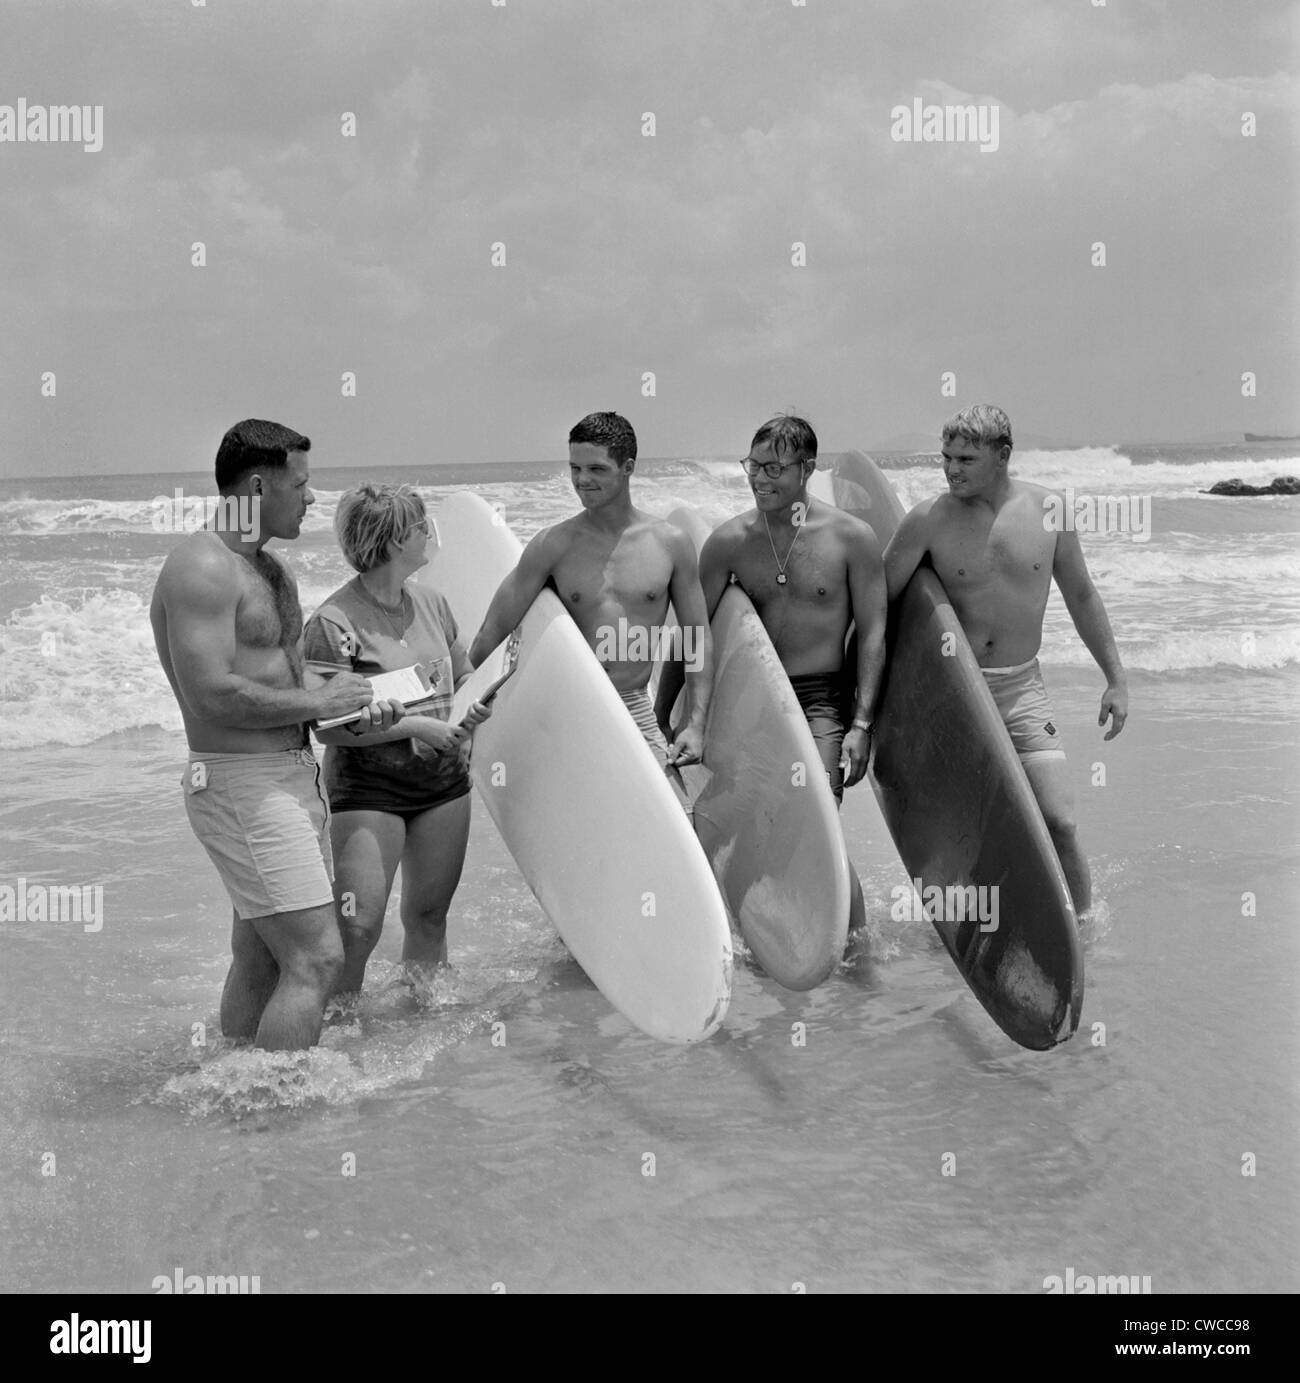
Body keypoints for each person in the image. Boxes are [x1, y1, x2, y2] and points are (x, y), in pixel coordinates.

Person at [150, 419, 399, 1050]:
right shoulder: (201, 567)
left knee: (263, 956)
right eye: (302, 483)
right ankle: (281, 1110)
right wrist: (317, 701)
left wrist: (359, 705)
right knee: (317, 959)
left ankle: (239, 1088)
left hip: (290, 778)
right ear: (259, 485)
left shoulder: (273, 571)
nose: (312, 498)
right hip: (241, 786)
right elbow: (213, 694)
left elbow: (289, 684)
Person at [882, 404, 1128, 914]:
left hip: (1021, 689)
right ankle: (968, 921)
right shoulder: (927, 521)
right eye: (946, 457)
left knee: (1059, 821)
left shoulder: (1049, 512)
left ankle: (1078, 931)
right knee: (968, 830)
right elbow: (879, 607)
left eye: (966, 459)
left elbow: (1082, 596)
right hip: (952, 696)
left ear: (1003, 456)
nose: (951, 469)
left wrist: (1115, 679)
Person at [303, 484, 492, 996]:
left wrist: (471, 713)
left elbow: (464, 673)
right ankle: (341, 1033)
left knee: (429, 917)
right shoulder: (333, 621)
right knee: (358, 927)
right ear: (390, 541)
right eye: (419, 526)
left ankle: (424, 1026)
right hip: (368, 790)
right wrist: (415, 727)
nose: (429, 534)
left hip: (442, 785)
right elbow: (324, 724)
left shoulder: (433, 602)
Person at [468, 412, 713, 781]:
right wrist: (462, 716)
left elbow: (696, 638)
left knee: (674, 823)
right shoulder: (553, 545)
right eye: (575, 468)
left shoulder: (669, 543)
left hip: (632, 704)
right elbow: (493, 632)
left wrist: (695, 724)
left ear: (627, 467)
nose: (582, 480)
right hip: (565, 711)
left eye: (596, 469)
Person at [660, 415, 888, 806]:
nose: (759, 479)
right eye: (753, 466)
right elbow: (694, 633)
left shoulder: (851, 539)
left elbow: (873, 632)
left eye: (774, 469)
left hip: (821, 698)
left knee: (817, 800)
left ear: (808, 469)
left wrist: (862, 725)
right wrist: (663, 715)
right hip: (749, 693)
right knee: (753, 807)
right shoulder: (729, 543)